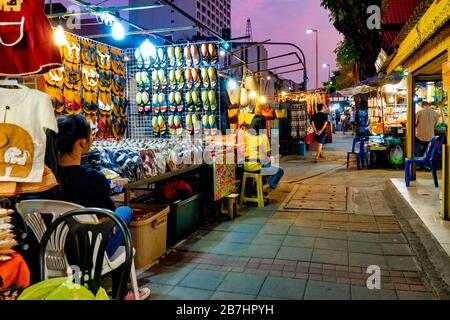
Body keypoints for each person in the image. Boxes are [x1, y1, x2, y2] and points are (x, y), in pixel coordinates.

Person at [55, 114, 150, 300]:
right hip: (91, 253)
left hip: (54, 252)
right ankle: (122, 292)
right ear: (82, 142)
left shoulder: (46, 179)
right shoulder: (93, 179)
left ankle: (118, 291)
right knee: (124, 214)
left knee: (118, 225)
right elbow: (110, 219)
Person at [244, 115, 284, 193]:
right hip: (257, 167)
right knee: (279, 171)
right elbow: (267, 156)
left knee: (267, 165)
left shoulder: (246, 134)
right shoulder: (263, 137)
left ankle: (255, 187)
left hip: (246, 166)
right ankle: (265, 187)